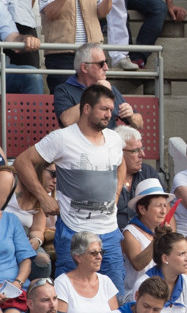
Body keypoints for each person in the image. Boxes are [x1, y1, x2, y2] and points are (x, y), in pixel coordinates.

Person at [14, 84, 124, 286]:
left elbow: (121, 164)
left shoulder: (115, 138)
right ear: (87, 108)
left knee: (114, 290)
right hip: (75, 231)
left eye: (111, 109)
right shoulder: (62, 138)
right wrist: (44, 197)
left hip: (109, 231)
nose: (110, 114)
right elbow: (22, 161)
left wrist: (116, 193)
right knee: (69, 290)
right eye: (104, 109)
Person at [52, 44, 141, 131]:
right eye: (101, 64)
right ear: (84, 67)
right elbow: (67, 121)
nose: (106, 68)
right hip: (81, 143)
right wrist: (95, 92)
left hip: (109, 142)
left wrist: (131, 116)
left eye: (106, 62)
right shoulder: (64, 90)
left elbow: (140, 123)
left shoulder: (109, 88)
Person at [52, 232, 119, 313]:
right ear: (78, 257)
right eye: (93, 253)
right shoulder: (62, 283)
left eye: (101, 252)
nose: (99, 257)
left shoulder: (106, 281)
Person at [120, 180, 169, 293]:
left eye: (165, 205)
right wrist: (157, 240)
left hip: (159, 291)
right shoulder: (130, 233)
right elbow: (138, 264)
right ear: (142, 209)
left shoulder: (160, 231)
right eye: (158, 206)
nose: (163, 211)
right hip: (136, 293)